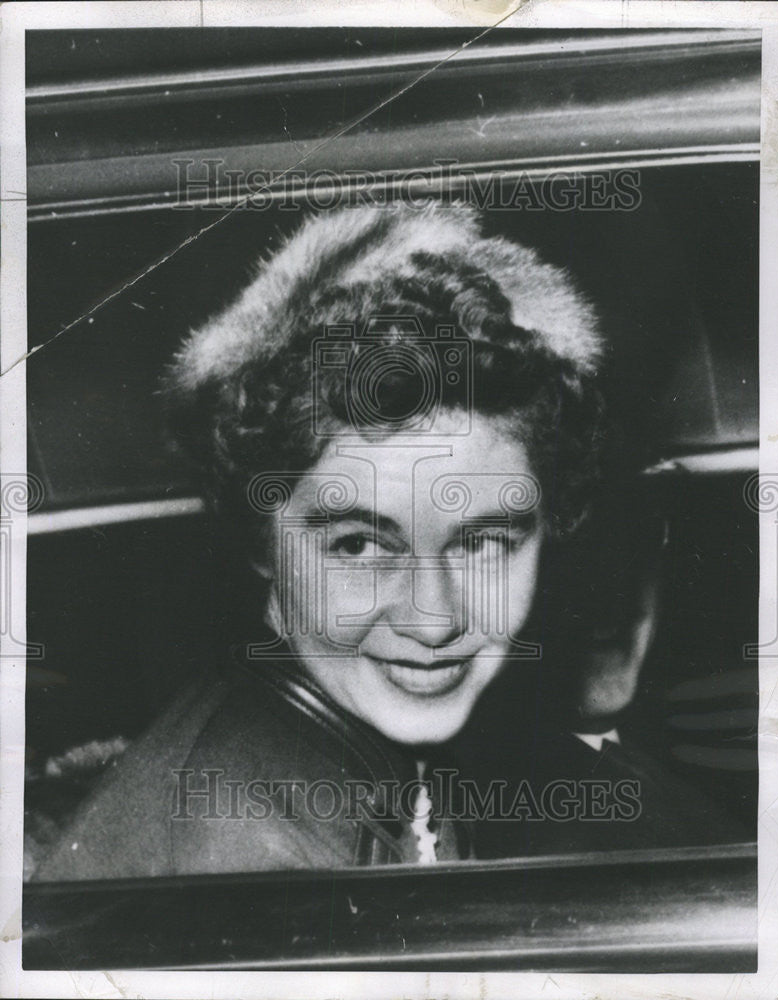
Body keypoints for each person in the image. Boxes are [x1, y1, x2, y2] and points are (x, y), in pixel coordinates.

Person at [34, 201, 737, 881]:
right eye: (359, 548)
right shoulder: (254, 861)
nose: (433, 618)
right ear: (261, 539)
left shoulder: (337, 752)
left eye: (484, 542)